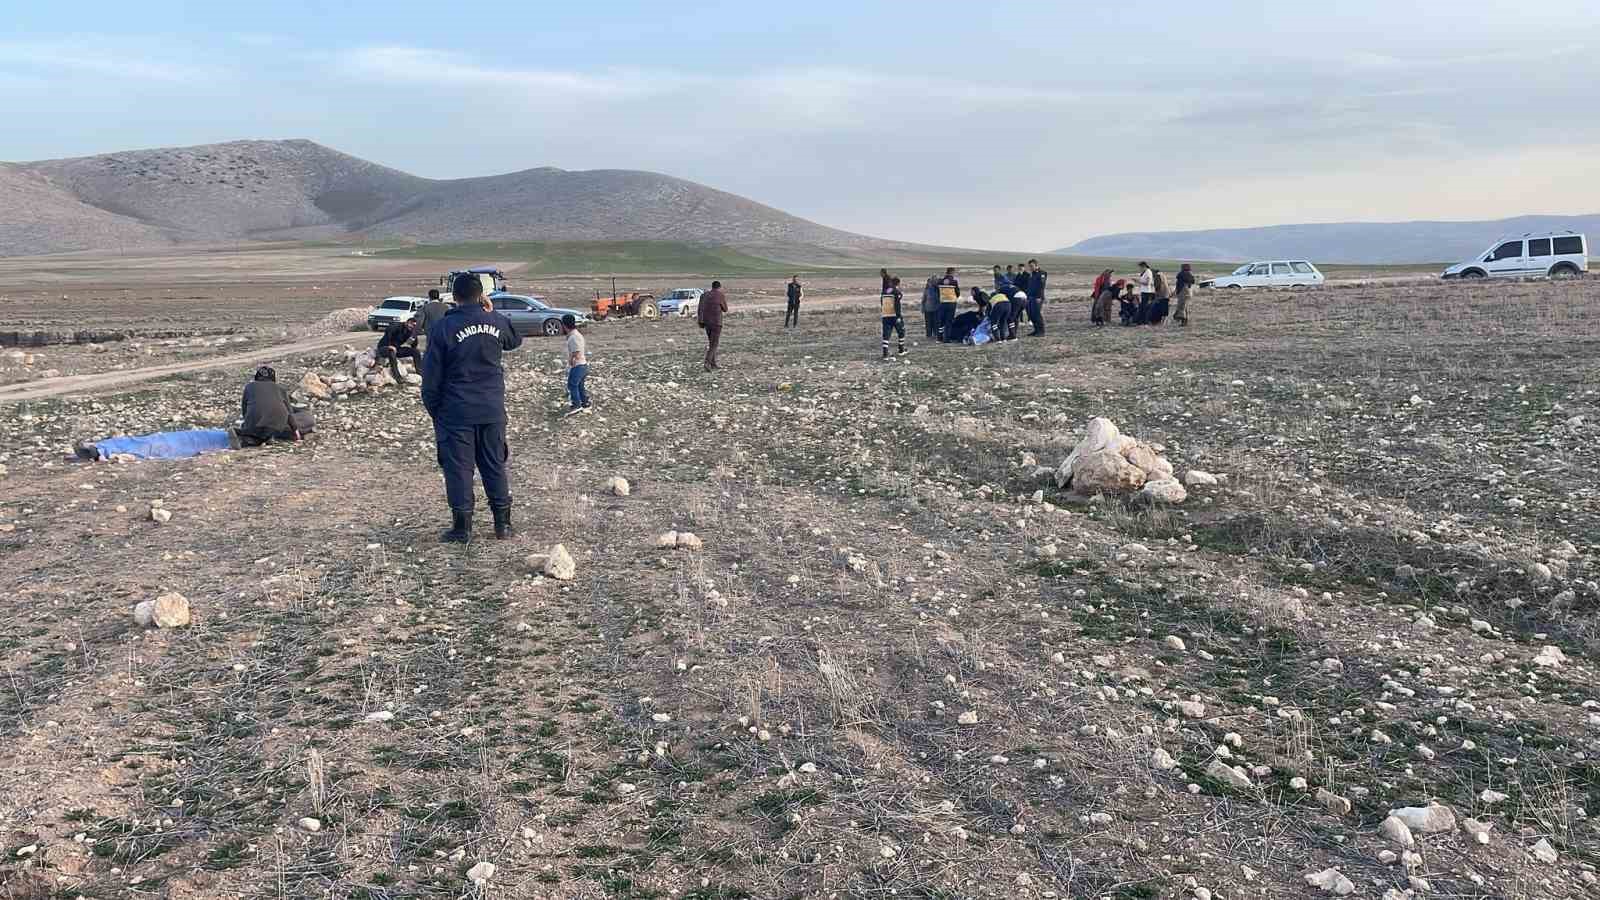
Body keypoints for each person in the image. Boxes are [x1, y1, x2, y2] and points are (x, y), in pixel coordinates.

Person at [421, 272, 524, 543]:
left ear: (453, 297)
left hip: (456, 411)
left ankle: (462, 528)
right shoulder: (494, 320)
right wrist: (489, 312)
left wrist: (437, 412)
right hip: (491, 408)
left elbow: (431, 380)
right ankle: (503, 526)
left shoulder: (442, 328)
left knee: (459, 469)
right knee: (494, 466)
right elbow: (514, 340)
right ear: (481, 296)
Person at [235, 366, 312, 446]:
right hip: (275, 428)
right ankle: (265, 438)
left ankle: (248, 437)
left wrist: (247, 425)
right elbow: (289, 415)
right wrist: (296, 431)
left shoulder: (249, 387)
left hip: (254, 426)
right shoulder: (280, 389)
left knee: (255, 429)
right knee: (307, 418)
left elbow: (245, 411)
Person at [377, 317, 423, 381]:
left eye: (414, 326)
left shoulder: (410, 331)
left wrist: (413, 338)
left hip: (397, 349)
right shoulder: (396, 326)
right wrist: (389, 346)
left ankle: (419, 372)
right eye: (412, 324)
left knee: (416, 351)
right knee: (391, 352)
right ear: (407, 322)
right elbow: (387, 335)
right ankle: (397, 377)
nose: (412, 327)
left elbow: (413, 346)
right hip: (384, 348)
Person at [560, 313, 589, 414]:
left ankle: (576, 405)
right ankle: (585, 402)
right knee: (579, 385)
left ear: (564, 325)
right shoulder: (574, 335)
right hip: (582, 365)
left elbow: (576, 351)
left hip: (578, 365)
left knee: (572, 385)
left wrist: (571, 360)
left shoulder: (574, 337)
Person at [697, 279, 728, 370]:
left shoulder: (704, 295)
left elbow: (700, 309)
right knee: (714, 344)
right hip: (716, 323)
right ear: (719, 287)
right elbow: (725, 309)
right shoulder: (720, 295)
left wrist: (700, 321)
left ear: (712, 286)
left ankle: (713, 364)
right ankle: (707, 362)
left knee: (711, 343)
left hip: (706, 323)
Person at [879, 276, 907, 359]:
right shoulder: (896, 291)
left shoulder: (884, 292)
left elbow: (882, 302)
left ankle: (885, 354)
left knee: (886, 334)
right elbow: (897, 304)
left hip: (885, 315)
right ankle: (901, 350)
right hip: (894, 316)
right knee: (901, 331)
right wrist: (898, 316)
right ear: (898, 283)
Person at [416, 288, 450, 356]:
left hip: (430, 332)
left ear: (429, 297)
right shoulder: (446, 307)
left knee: (431, 351)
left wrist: (417, 332)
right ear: (438, 296)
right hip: (443, 332)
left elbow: (420, 322)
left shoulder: (425, 307)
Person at [1024, 259, 1047, 336]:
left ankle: (1041, 331)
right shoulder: (1032, 274)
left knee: (1037, 314)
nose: (1030, 268)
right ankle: (1036, 330)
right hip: (1030, 297)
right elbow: (1030, 286)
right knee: (1031, 314)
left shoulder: (1042, 273)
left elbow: (1041, 286)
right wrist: (1027, 297)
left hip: (1037, 298)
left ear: (1036, 265)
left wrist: (1039, 297)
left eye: (1032, 266)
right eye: (1029, 266)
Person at [936, 268, 960, 342]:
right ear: (952, 273)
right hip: (951, 303)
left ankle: (939, 338)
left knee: (941, 321)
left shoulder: (940, 281)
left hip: (942, 303)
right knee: (949, 321)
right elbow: (958, 293)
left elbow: (937, 292)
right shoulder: (954, 282)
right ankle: (947, 338)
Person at [1136, 262, 1155, 326]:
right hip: (1144, 291)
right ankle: (1142, 321)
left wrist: (1138, 281)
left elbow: (1147, 283)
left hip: (1146, 292)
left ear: (1144, 266)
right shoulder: (1145, 272)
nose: (1140, 268)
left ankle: (1145, 322)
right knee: (1143, 307)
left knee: (1145, 308)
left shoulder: (1148, 272)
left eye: (1140, 267)